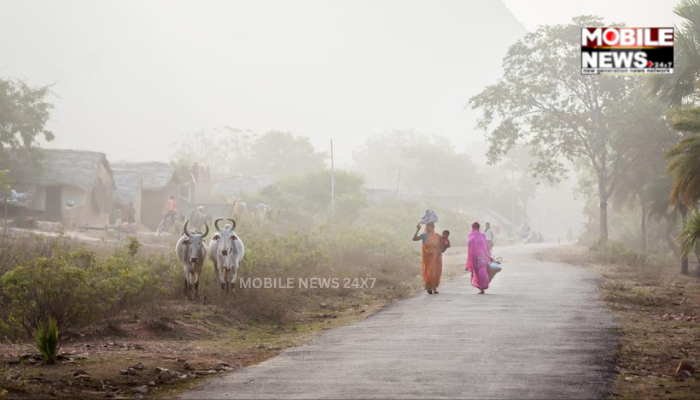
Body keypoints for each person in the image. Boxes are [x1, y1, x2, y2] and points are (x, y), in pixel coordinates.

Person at [466, 221, 496, 294]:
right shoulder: (482, 235)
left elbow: (469, 247)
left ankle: (481, 288)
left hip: (474, 258)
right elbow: (486, 246)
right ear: (479, 227)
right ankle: (482, 287)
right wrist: (489, 256)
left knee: (477, 273)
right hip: (482, 257)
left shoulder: (470, 235)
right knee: (482, 272)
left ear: (472, 227)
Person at [412, 221, 443, 295]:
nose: (430, 227)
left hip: (436, 256)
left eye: (432, 226)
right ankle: (429, 287)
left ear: (433, 227)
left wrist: (440, 252)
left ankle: (434, 288)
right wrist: (418, 229)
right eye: (428, 226)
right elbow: (414, 238)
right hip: (428, 257)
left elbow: (441, 245)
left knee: (435, 272)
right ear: (426, 227)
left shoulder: (437, 236)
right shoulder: (424, 235)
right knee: (429, 272)